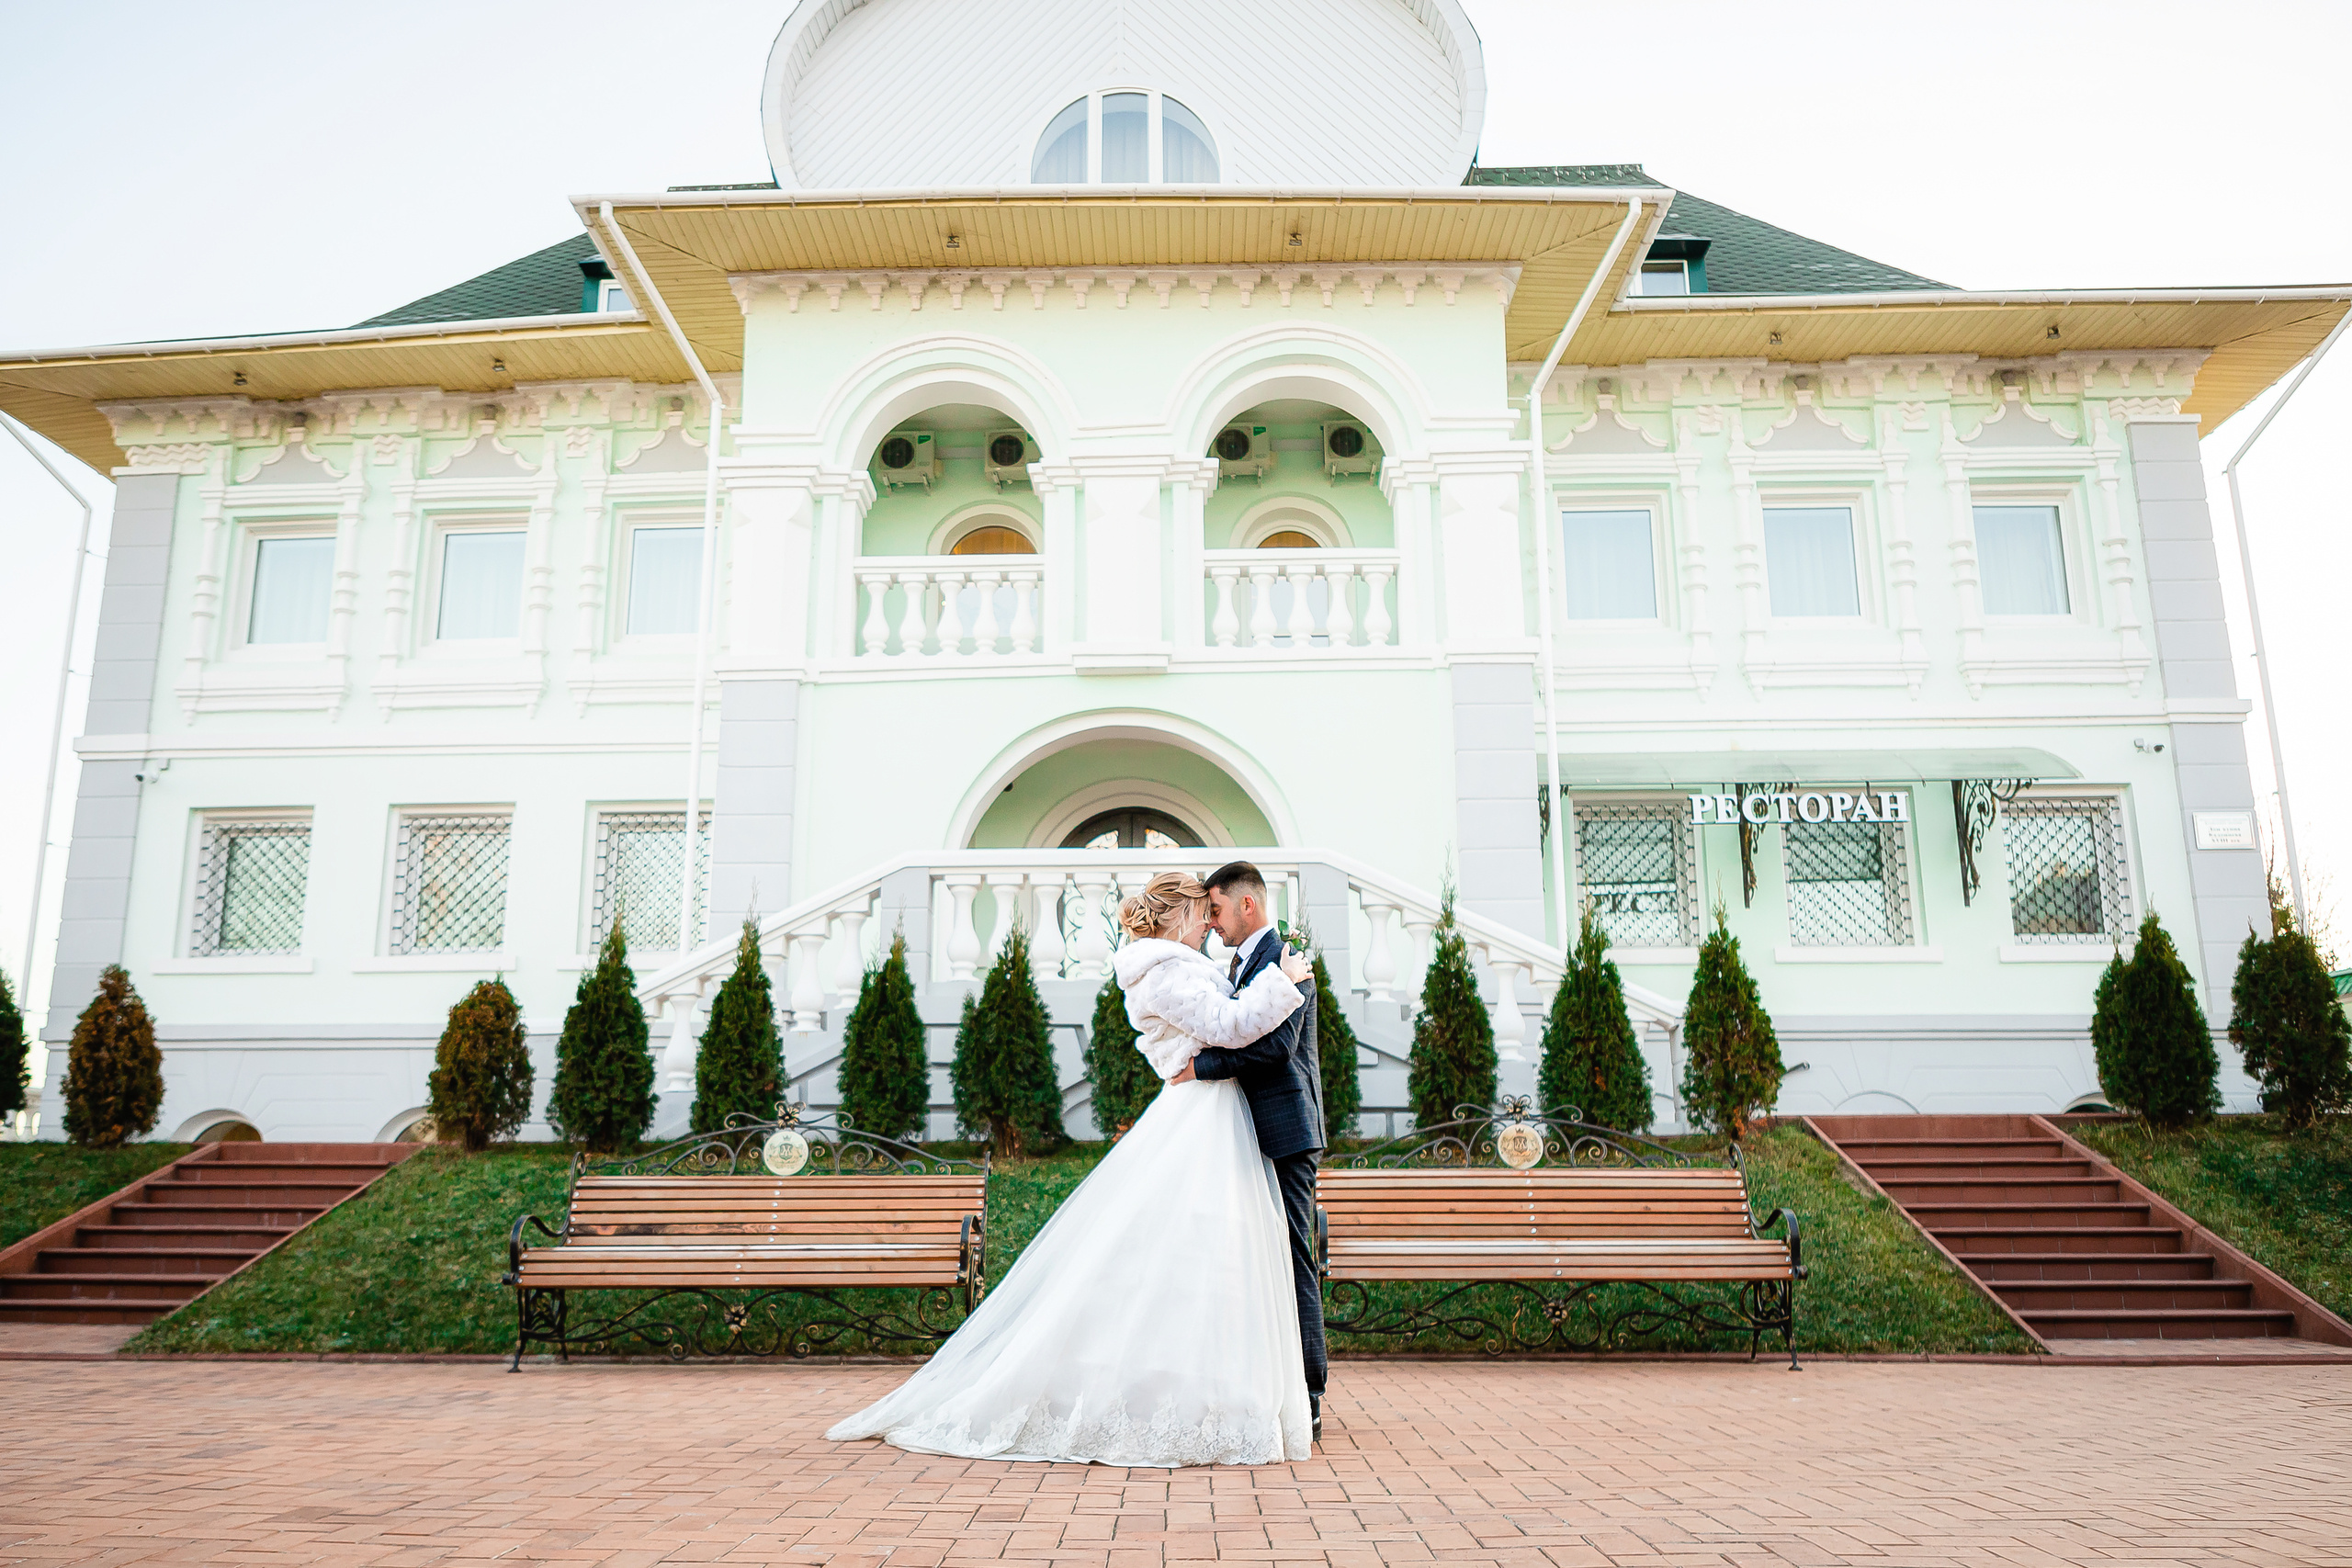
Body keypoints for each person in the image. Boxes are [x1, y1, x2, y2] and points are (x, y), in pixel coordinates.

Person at [825, 871, 1318, 1466]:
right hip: (1202, 1119)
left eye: (1216, 911)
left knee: (1215, 1258)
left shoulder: (1181, 964)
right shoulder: (1163, 969)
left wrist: (1260, 1000)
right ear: (1179, 916)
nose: (1210, 922)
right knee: (1182, 1255)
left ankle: (1231, 1389)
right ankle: (1184, 1391)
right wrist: (1283, 986)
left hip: (1218, 1116)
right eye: (1202, 912)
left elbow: (1238, 1026)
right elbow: (1230, 1024)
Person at [1171, 860, 1329, 1440]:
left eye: (1214, 911)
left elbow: (1277, 1049)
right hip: (1246, 1132)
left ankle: (1310, 1392)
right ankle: (1269, 1384)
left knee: (1293, 1258)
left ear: (1248, 905)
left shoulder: (1290, 958)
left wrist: (1202, 1068)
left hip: (1286, 1130)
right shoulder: (1238, 965)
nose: (1211, 926)